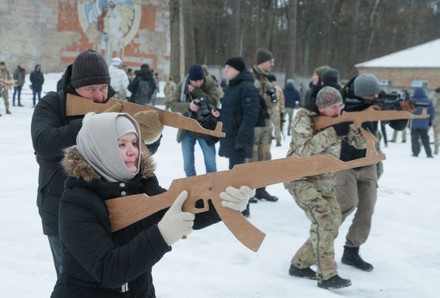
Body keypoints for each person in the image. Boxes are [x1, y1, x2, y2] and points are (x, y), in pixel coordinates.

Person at [51, 112, 255, 297]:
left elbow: (181, 210)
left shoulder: (141, 184)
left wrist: (224, 203)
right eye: (121, 145)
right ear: (100, 150)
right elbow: (109, 270)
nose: (133, 152)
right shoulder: (77, 202)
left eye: (134, 143)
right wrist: (162, 235)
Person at [31, 49, 164, 279]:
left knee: (118, 279)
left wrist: (150, 137)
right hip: (61, 210)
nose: (99, 96)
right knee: (75, 283)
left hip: (115, 209)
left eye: (103, 88)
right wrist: (85, 124)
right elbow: (44, 143)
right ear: (74, 85)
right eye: (91, 89)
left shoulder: (116, 105)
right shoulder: (53, 104)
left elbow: (132, 154)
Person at [285, 86, 366, 289]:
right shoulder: (302, 118)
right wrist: (333, 132)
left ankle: (300, 264)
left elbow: (360, 144)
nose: (339, 111)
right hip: (299, 179)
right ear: (322, 108)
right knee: (324, 220)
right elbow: (303, 152)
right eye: (334, 107)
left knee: (334, 220)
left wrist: (353, 126)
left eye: (341, 106)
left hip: (323, 182)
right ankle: (327, 275)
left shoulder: (337, 118)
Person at [334, 73, 410, 272]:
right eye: (371, 96)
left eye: (377, 93)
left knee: (367, 207)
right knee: (344, 205)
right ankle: (318, 245)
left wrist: (402, 113)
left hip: (369, 160)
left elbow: (396, 125)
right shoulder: (341, 99)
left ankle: (352, 250)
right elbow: (337, 127)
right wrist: (364, 113)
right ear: (361, 95)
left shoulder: (378, 96)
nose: (376, 96)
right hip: (344, 161)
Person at [218, 56, 260, 217]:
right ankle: (236, 206)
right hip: (231, 138)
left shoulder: (247, 87)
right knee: (234, 175)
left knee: (239, 177)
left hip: (239, 140)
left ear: (237, 70)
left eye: (228, 68)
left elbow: (250, 117)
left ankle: (243, 208)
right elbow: (231, 112)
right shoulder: (232, 87)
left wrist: (241, 140)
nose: (225, 71)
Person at [169, 64, 222, 177]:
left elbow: (214, 101)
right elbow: (172, 105)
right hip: (187, 128)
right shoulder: (182, 86)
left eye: (200, 80)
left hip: (205, 127)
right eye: (195, 81)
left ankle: (211, 189)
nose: (198, 83)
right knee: (188, 165)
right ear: (190, 79)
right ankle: (193, 190)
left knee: (210, 163)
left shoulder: (209, 82)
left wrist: (197, 92)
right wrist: (189, 106)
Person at [250, 48, 279, 202]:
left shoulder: (268, 79)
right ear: (263, 62)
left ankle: (261, 189)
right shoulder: (252, 78)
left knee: (265, 158)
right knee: (251, 159)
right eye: (270, 61)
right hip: (254, 124)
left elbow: (272, 102)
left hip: (266, 123)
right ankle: (248, 192)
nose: (272, 64)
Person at [409, 87, 435, 158]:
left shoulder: (412, 101)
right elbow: (432, 112)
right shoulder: (428, 101)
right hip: (424, 124)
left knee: (414, 139)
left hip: (414, 124)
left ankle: (415, 152)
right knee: (425, 139)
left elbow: (408, 112)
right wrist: (429, 121)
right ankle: (429, 153)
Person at [268, 74, 285, 147]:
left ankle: (268, 140)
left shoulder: (267, 88)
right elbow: (282, 101)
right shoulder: (279, 89)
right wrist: (282, 111)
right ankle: (278, 141)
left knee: (268, 126)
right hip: (277, 110)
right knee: (277, 127)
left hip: (268, 110)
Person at [432, 87, 440, 154]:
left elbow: (431, 106)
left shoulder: (433, 97)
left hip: (432, 116)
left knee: (424, 132)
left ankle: (419, 147)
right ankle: (436, 149)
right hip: (438, 117)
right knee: (437, 134)